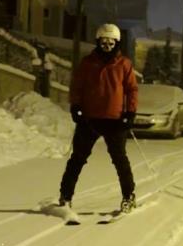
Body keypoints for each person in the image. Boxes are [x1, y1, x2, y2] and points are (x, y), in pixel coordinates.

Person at [58, 23, 139, 213]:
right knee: (77, 159)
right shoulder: (88, 63)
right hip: (89, 120)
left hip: (116, 121)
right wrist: (76, 106)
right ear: (98, 42)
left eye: (111, 42)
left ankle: (128, 196)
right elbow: (77, 86)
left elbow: (131, 90)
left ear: (117, 43)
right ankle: (65, 196)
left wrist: (130, 112)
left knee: (120, 160)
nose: (107, 46)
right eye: (104, 42)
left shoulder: (124, 64)